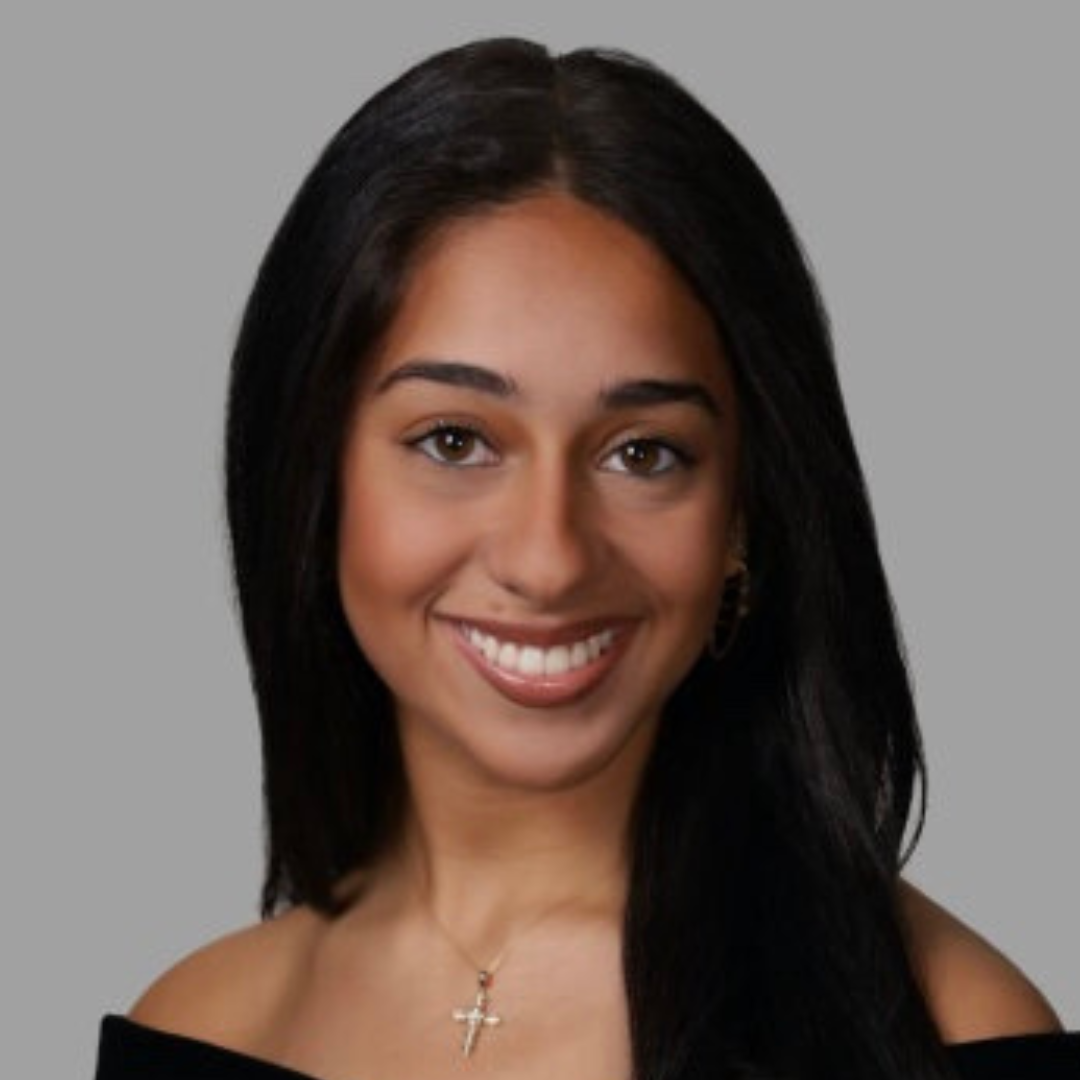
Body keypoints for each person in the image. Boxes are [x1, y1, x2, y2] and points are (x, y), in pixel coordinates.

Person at [94, 36, 1077, 1080]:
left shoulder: (954, 1033)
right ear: (314, 480)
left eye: (643, 454)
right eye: (455, 441)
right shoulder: (199, 1029)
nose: (550, 559)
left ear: (745, 511)